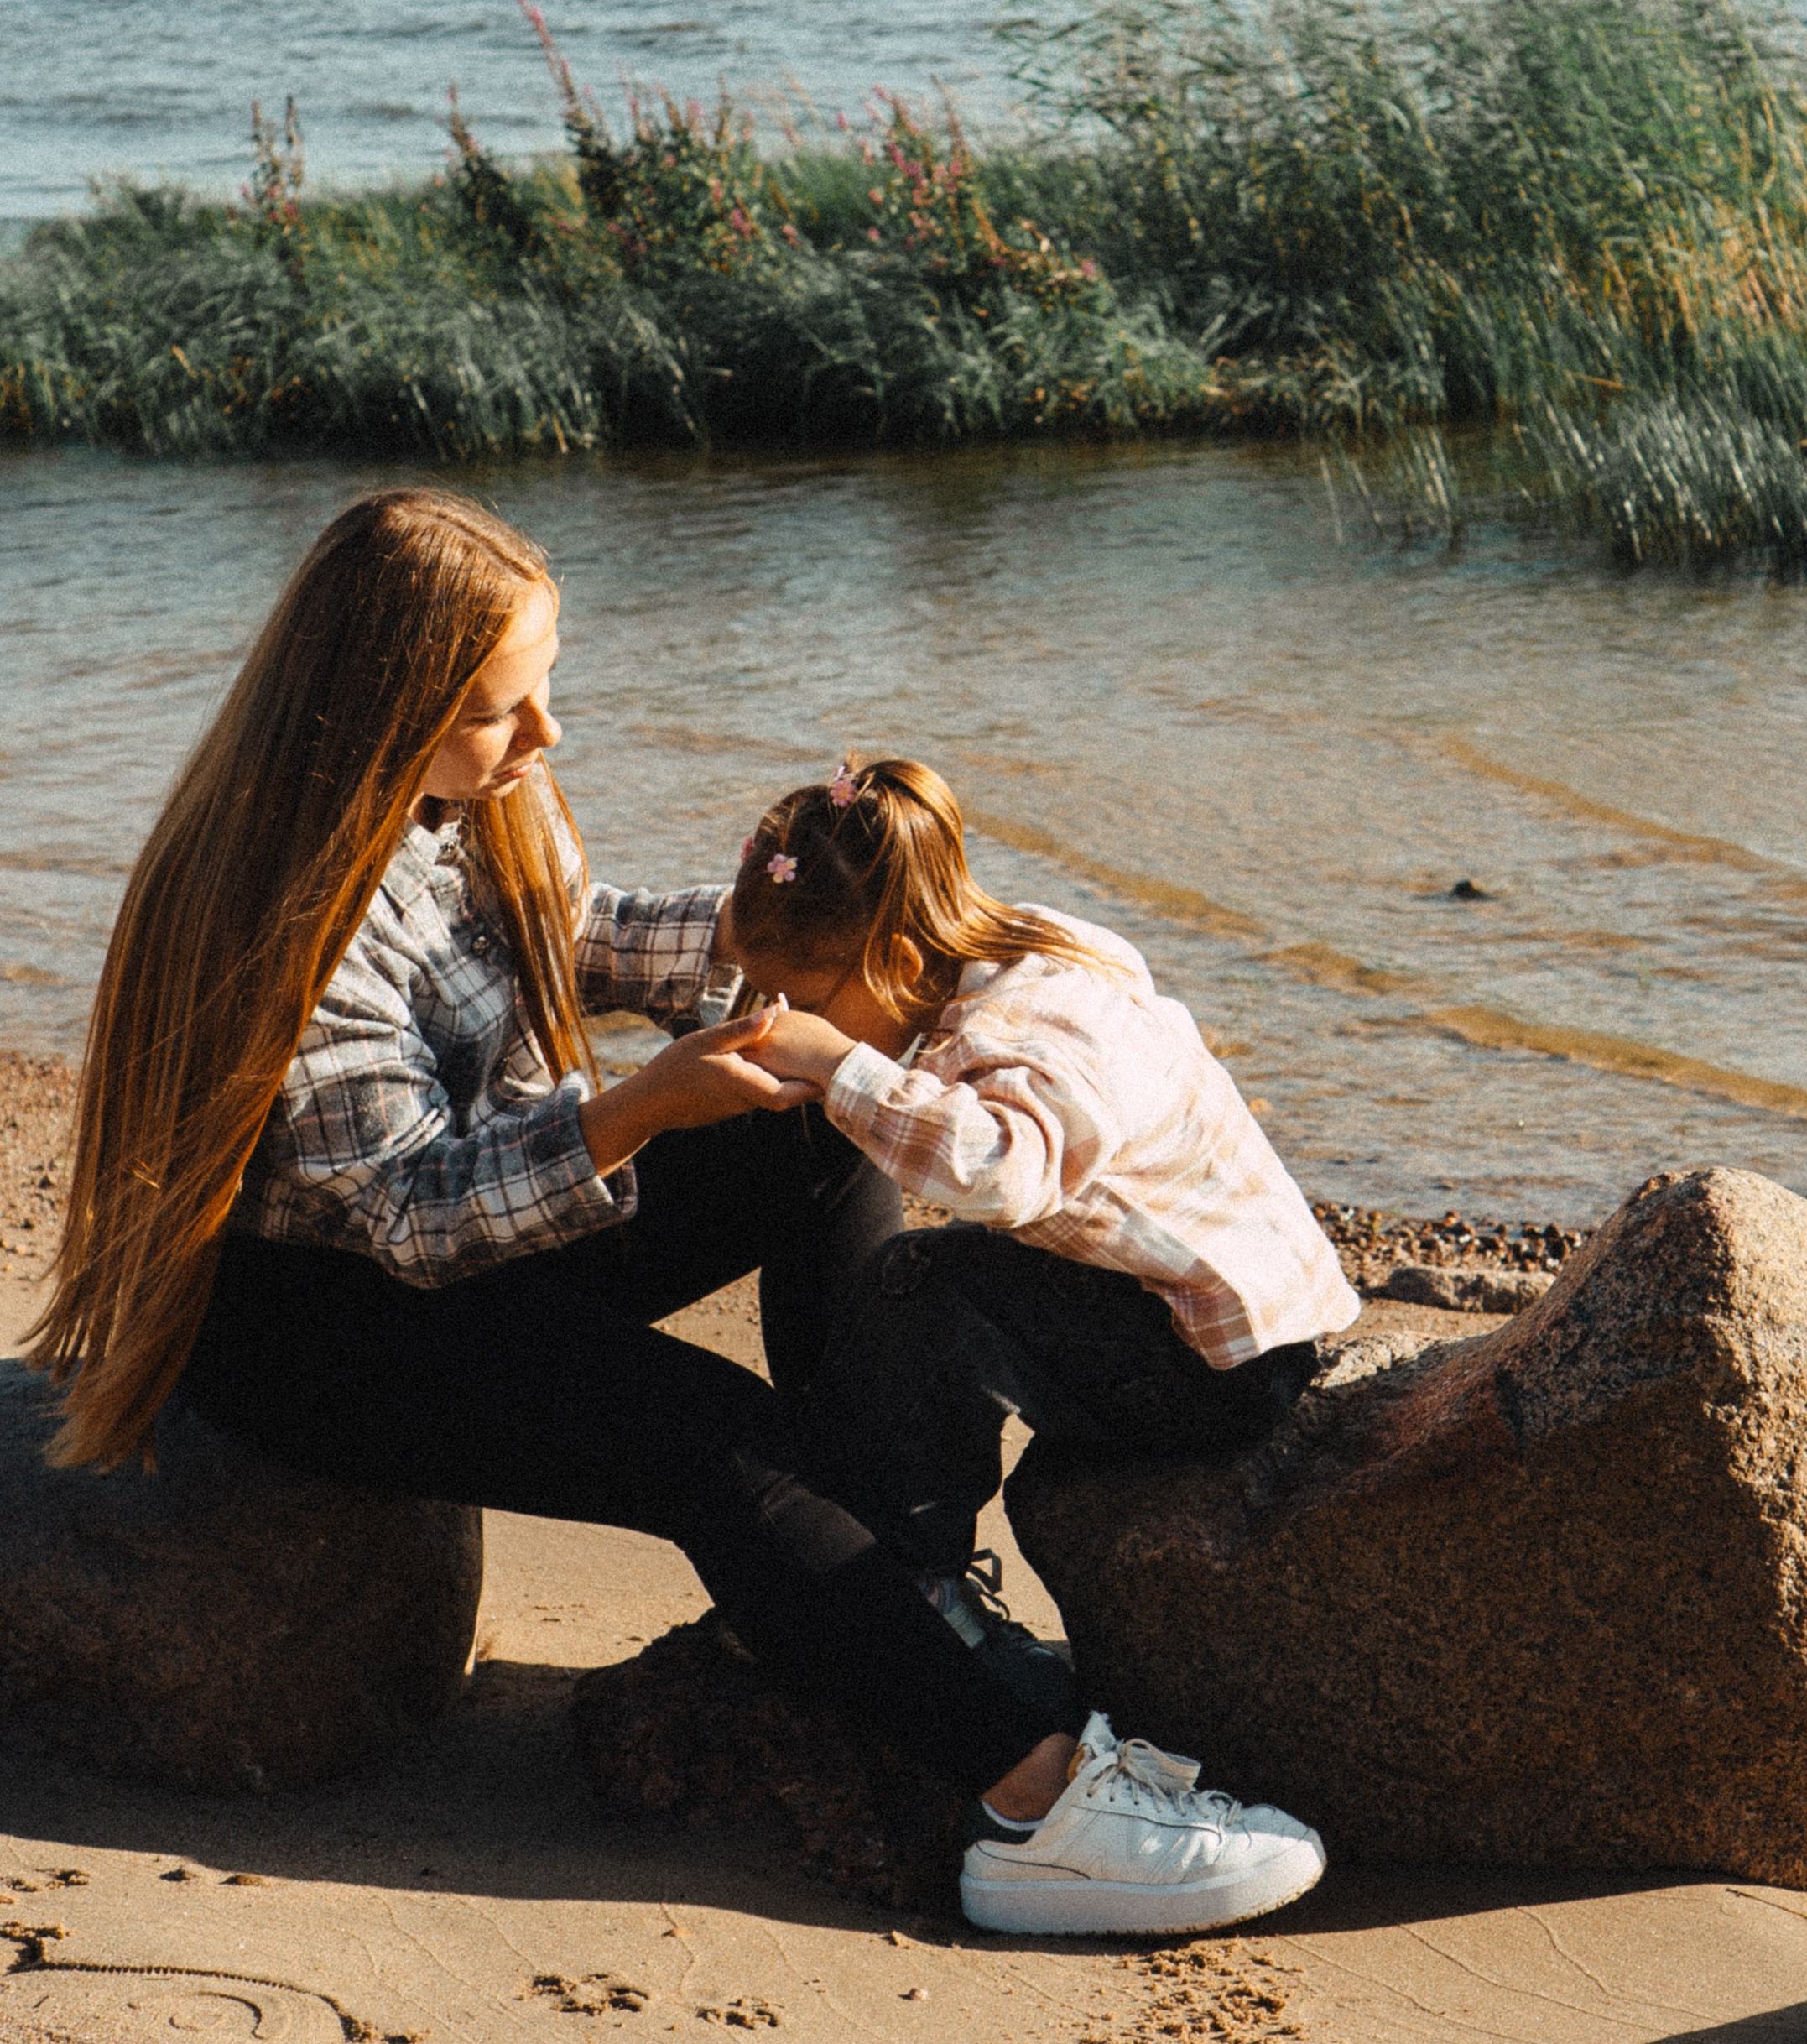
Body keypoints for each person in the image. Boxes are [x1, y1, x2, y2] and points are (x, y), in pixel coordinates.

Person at [29, 490, 1318, 1938]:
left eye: (547, 686)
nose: (547, 738)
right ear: (385, 714)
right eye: (503, 711)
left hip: (490, 1235)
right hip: (328, 1326)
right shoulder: (293, 911)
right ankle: (1035, 1803)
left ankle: (888, 1582)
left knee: (819, 1123)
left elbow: (568, 941)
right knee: (713, 1449)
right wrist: (636, 1111)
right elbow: (410, 1213)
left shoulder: (467, 810)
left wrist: (837, 933)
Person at [716, 753, 1353, 1932]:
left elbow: (1003, 1171)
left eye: (792, 994)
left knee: (925, 1285)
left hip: (1221, 1361)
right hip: (1197, 1302)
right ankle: (860, 1517)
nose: (770, 1019)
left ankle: (906, 1575)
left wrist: (837, 1066)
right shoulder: (1017, 948)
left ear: (896, 965)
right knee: (895, 1235)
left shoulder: (1034, 1027)